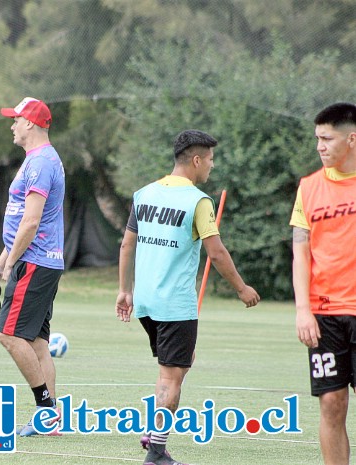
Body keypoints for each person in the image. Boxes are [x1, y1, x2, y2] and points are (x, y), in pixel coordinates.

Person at [115, 129, 260, 465]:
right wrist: (242, 288)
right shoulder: (198, 201)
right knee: (172, 376)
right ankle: (156, 452)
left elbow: (126, 245)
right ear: (196, 160)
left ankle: (155, 432)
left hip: (147, 303)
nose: (211, 167)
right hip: (176, 305)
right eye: (209, 160)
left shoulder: (144, 194)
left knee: (178, 365)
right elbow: (217, 252)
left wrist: (124, 290)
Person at [0, 97, 66, 437]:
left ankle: (46, 411)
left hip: (35, 261)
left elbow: (30, 223)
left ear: (30, 123)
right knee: (36, 343)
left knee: (8, 334)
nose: (12, 125)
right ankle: (50, 422)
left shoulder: (42, 162)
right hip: (38, 260)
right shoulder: (37, 159)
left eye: (16, 119)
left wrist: (12, 264)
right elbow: (21, 223)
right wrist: (0, 265)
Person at [291, 102, 356, 465]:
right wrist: (303, 310)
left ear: (351, 139)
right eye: (317, 138)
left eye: (327, 138)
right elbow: (301, 251)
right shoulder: (309, 187)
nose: (319, 146)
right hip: (325, 314)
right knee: (332, 402)